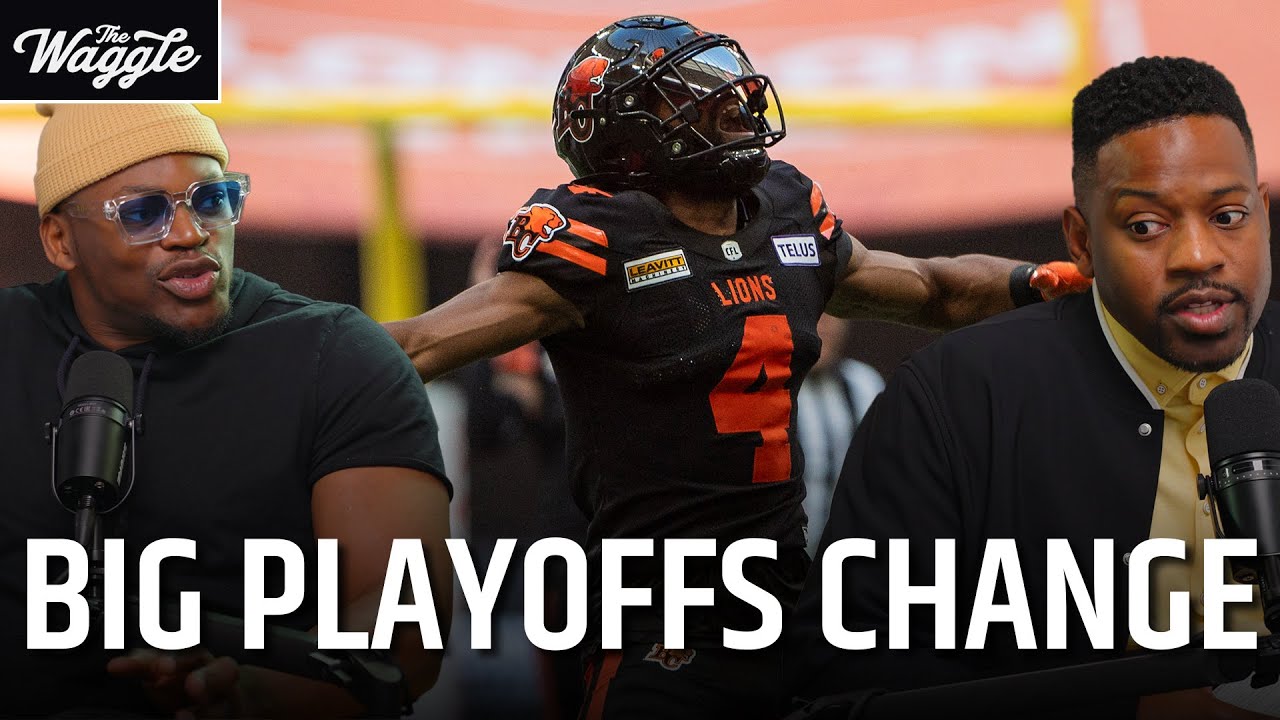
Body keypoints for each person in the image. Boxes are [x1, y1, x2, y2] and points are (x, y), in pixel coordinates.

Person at [382, 15, 1088, 720]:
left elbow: (935, 288)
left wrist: (1048, 281)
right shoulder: (602, 243)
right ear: (626, 138)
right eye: (689, 92)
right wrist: (312, 358)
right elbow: (415, 347)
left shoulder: (784, 214)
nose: (730, 99)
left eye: (722, 81)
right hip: (659, 618)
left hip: (787, 603)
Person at [784, 56, 1275, 720]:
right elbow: (850, 674)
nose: (1198, 255)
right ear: (1081, 241)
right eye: (1146, 226)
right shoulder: (958, 399)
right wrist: (1118, 701)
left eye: (1229, 215)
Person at [0, 103, 454, 717]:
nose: (190, 233)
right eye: (142, 213)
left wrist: (248, 695)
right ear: (60, 240)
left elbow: (403, 631)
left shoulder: (336, 356)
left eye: (212, 200)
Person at [796, 315, 885, 558]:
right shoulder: (766, 389)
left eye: (832, 314)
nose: (822, 325)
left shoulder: (864, 385)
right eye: (813, 313)